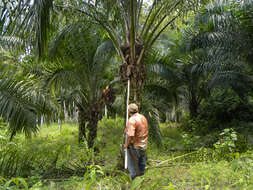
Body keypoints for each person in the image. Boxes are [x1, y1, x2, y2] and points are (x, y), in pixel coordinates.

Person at [124, 103, 148, 179]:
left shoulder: (132, 120)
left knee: (133, 167)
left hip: (135, 147)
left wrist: (126, 145)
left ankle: (134, 183)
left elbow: (130, 135)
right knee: (141, 166)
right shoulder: (143, 117)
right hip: (143, 145)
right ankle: (141, 182)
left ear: (129, 111)